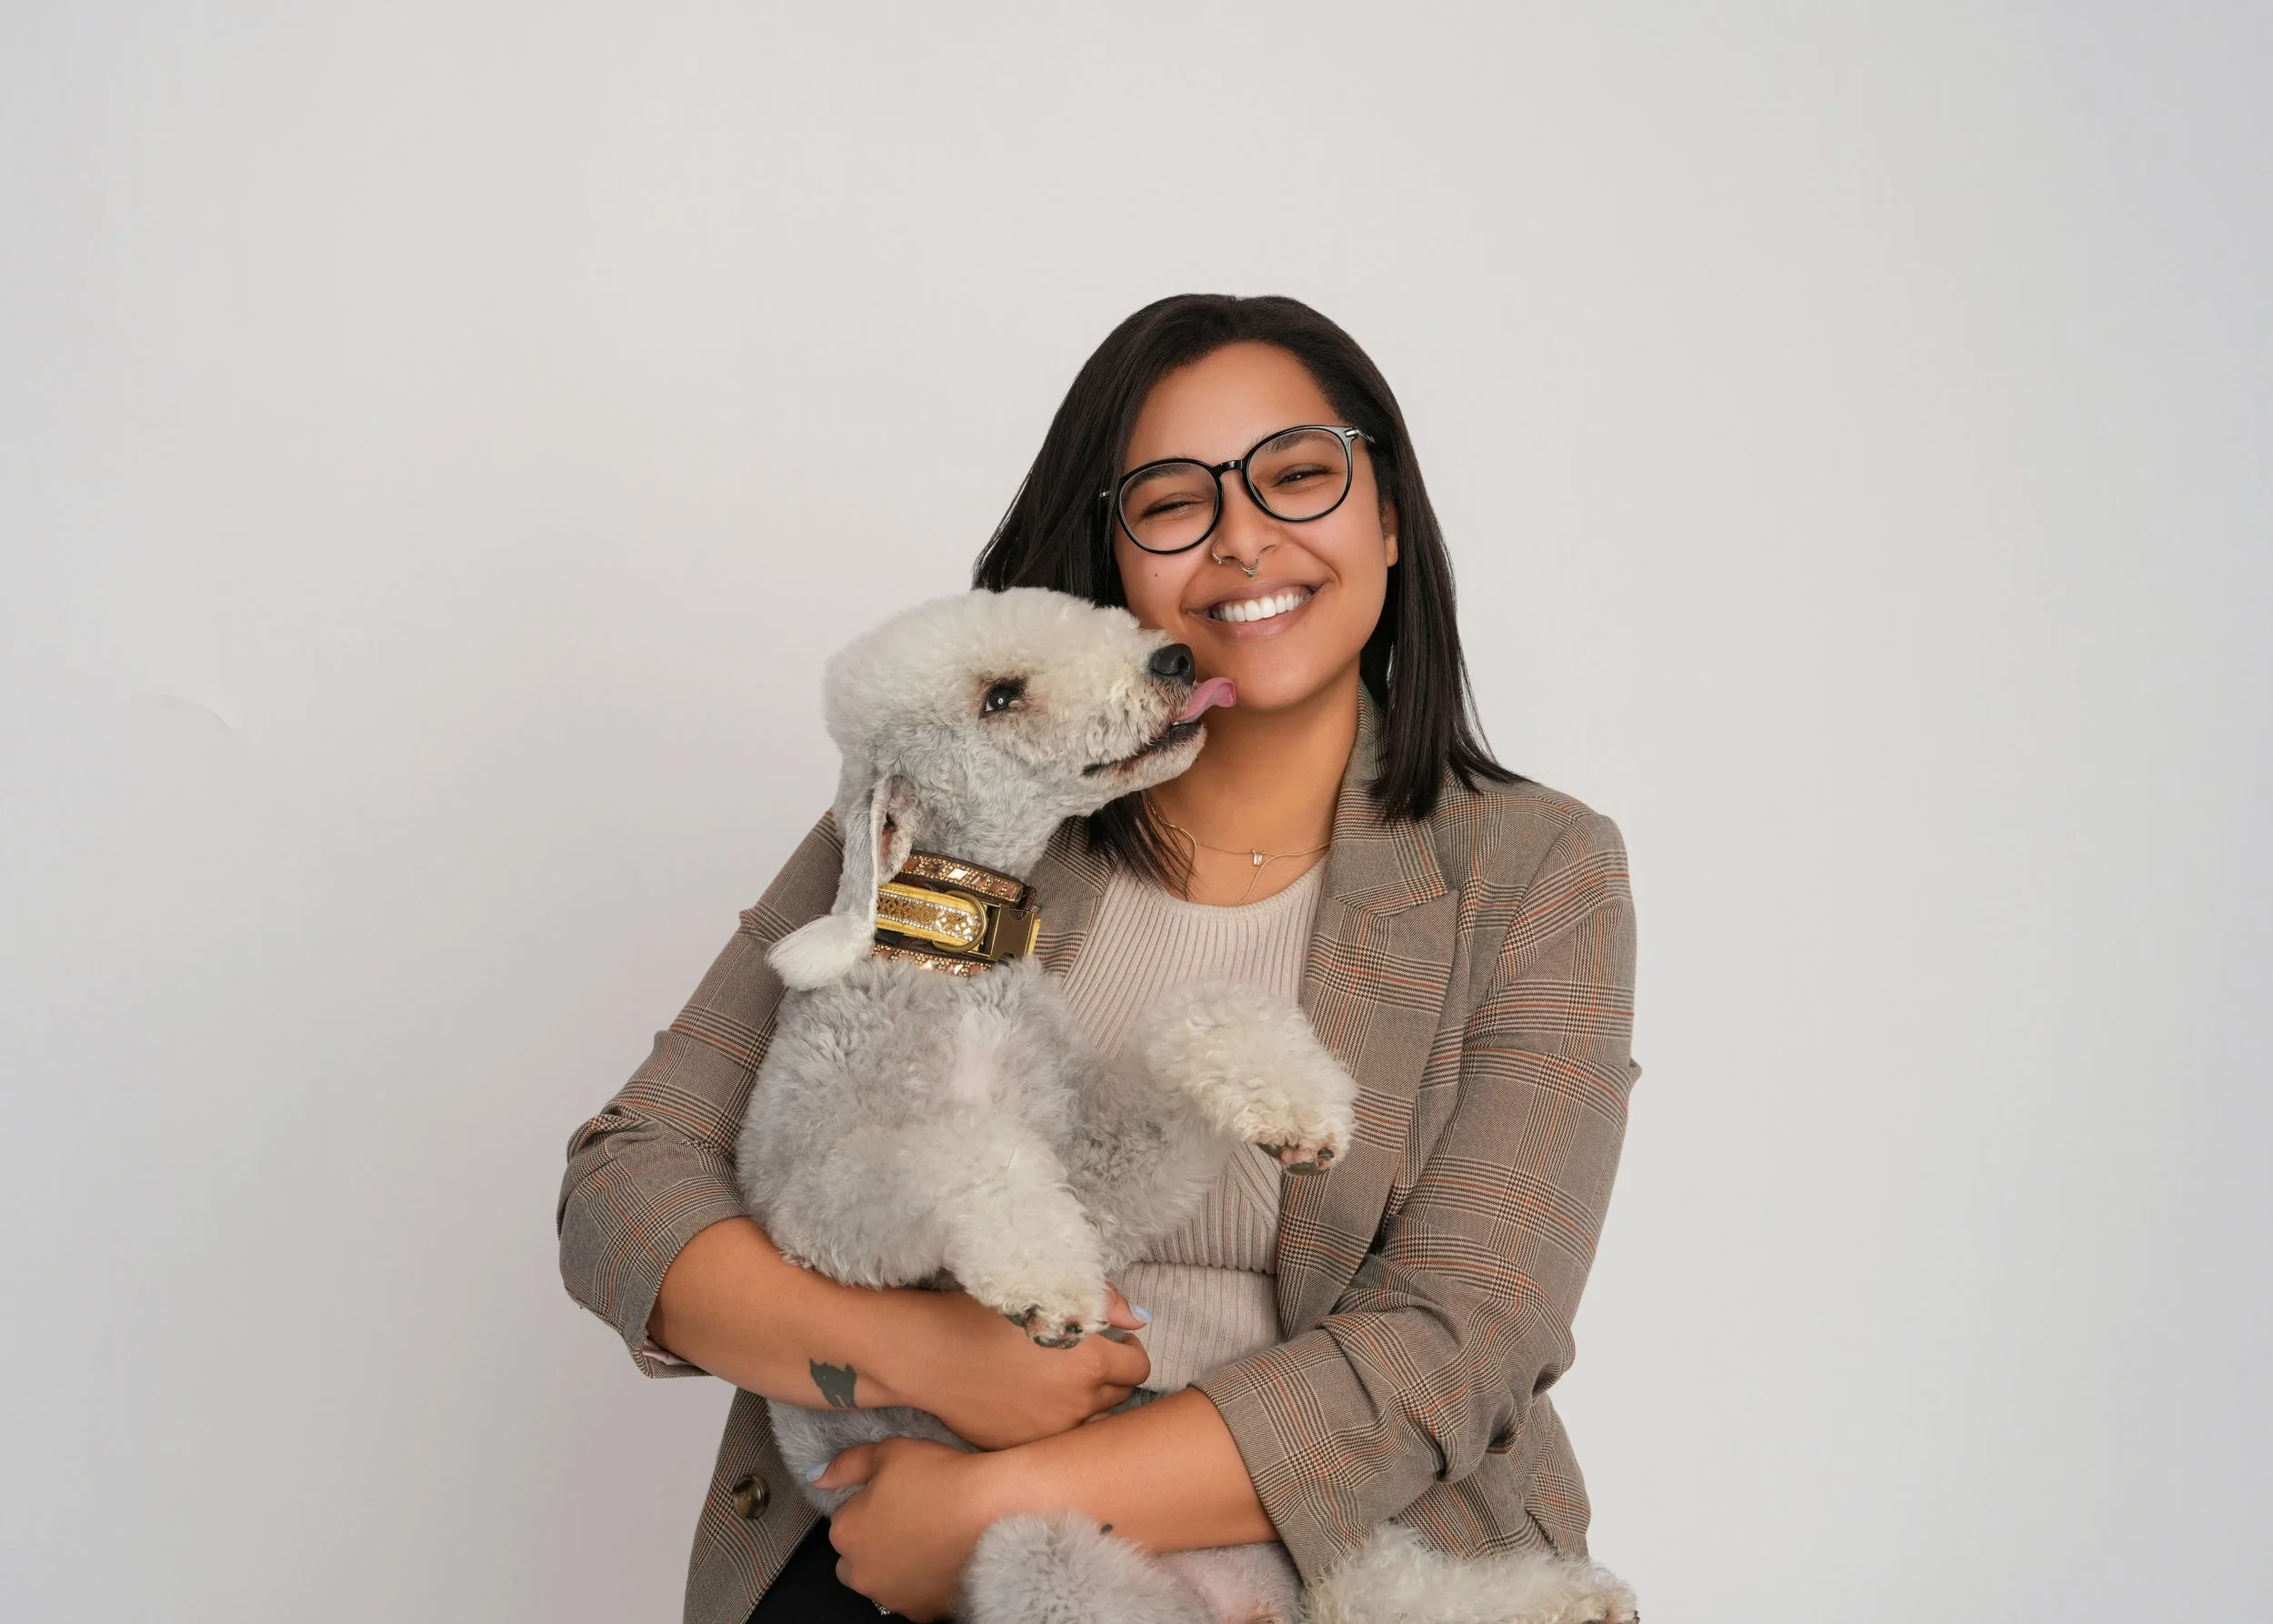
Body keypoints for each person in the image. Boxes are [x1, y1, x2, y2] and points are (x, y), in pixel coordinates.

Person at [556, 294, 1640, 1623]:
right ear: (1113, 558)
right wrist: (924, 1356)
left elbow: (1462, 1336)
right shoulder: (965, 808)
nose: (1246, 537)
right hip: (896, 1514)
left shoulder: (1536, 873)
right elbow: (625, 1184)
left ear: (1391, 517)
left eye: (1300, 474)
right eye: (1175, 502)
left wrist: (998, 1509)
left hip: (1323, 1552)